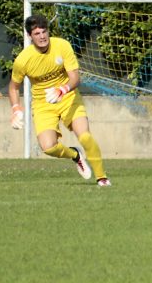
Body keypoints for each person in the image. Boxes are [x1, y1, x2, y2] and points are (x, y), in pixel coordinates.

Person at [9, 15, 111, 186]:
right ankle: (75, 155)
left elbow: (75, 78)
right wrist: (16, 109)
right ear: (29, 36)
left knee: (85, 137)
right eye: (37, 33)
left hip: (68, 97)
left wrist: (62, 89)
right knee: (48, 147)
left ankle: (102, 178)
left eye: (44, 31)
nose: (42, 36)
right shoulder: (23, 60)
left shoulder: (62, 45)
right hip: (43, 105)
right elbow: (13, 87)